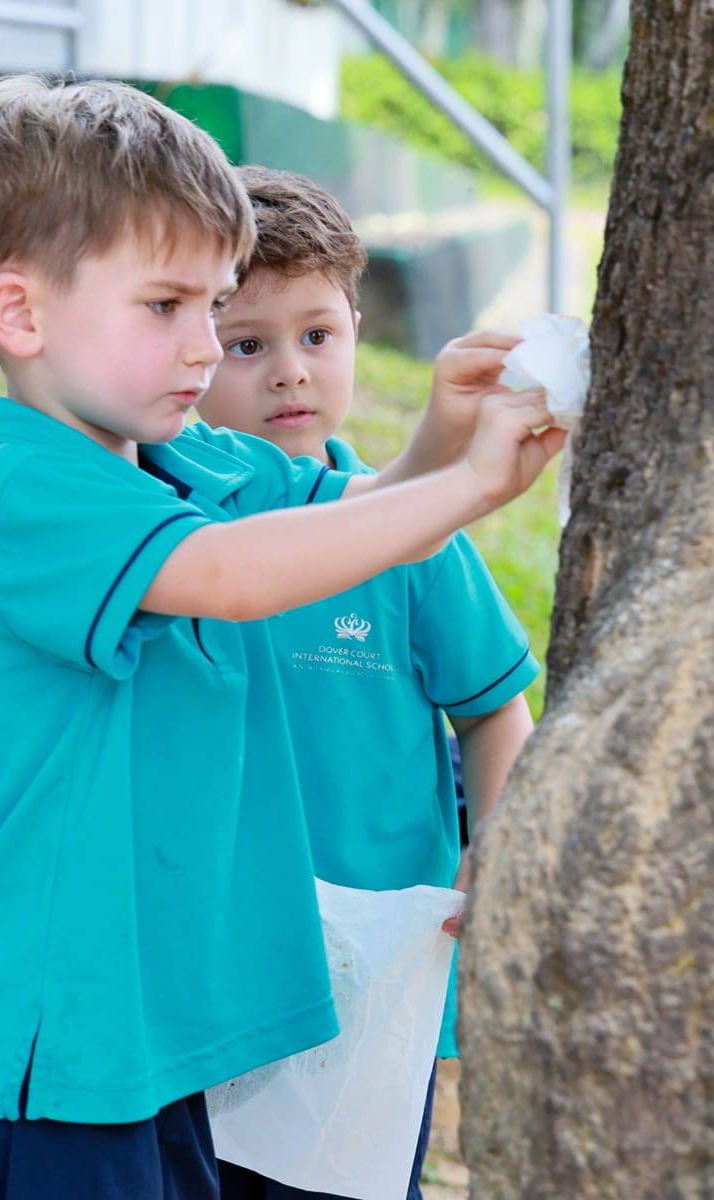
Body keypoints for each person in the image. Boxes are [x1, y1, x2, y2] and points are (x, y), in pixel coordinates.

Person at [0, 74, 562, 1200]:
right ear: (21, 315)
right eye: (167, 308)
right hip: (55, 1050)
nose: (207, 349)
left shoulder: (191, 465)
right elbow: (236, 574)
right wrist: (466, 490)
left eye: (213, 308)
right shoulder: (19, 498)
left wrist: (433, 446)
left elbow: (331, 522)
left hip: (169, 1041)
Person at [195, 167, 538, 1200]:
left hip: (381, 979)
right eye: (245, 345)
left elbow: (492, 706)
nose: (289, 375)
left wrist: (498, 854)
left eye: (318, 336)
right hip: (220, 962)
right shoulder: (182, 534)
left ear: (355, 325)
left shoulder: (412, 537)